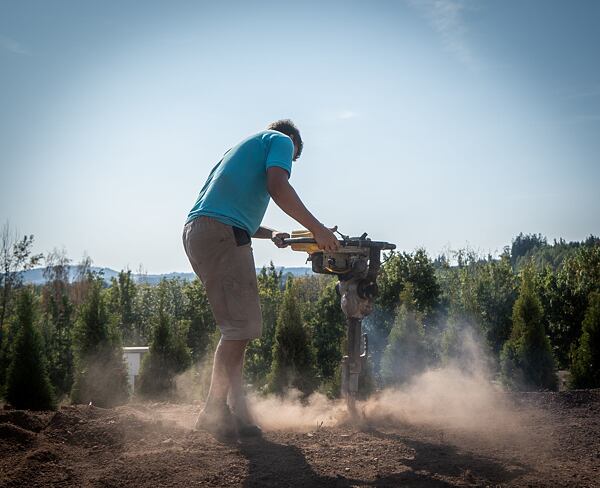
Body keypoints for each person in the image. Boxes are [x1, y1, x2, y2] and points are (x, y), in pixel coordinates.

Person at [182, 119, 339, 440]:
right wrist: (319, 229)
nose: (288, 163)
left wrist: (272, 234)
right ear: (291, 145)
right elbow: (278, 187)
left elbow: (226, 212)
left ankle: (238, 413)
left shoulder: (239, 150)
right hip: (222, 233)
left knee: (236, 328)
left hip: (199, 232)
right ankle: (213, 411)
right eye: (292, 161)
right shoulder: (281, 140)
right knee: (240, 328)